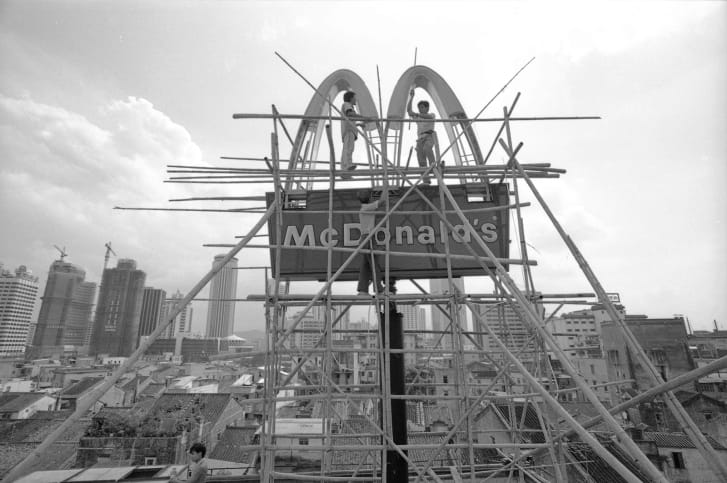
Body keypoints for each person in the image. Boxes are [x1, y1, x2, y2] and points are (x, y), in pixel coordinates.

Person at [357, 189, 388, 295]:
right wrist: (385, 186)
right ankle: (379, 290)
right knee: (374, 265)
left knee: (365, 266)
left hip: (365, 238)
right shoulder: (367, 207)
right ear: (369, 198)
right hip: (368, 238)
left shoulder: (365, 208)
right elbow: (383, 201)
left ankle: (362, 290)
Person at [406, 89, 437, 184]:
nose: (420, 109)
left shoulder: (431, 114)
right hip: (420, 139)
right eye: (419, 108)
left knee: (427, 148)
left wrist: (417, 114)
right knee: (421, 160)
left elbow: (429, 117)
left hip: (429, 136)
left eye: (422, 107)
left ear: (427, 108)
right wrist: (411, 97)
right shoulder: (418, 116)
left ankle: (434, 168)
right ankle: (426, 180)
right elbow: (409, 111)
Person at [340, 91, 368, 178]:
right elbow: (350, 114)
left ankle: (345, 171)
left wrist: (359, 124)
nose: (356, 99)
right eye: (355, 97)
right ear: (351, 98)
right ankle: (346, 166)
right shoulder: (347, 104)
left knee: (349, 148)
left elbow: (350, 120)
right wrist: (364, 118)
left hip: (350, 130)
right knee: (348, 148)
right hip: (348, 131)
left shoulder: (348, 105)